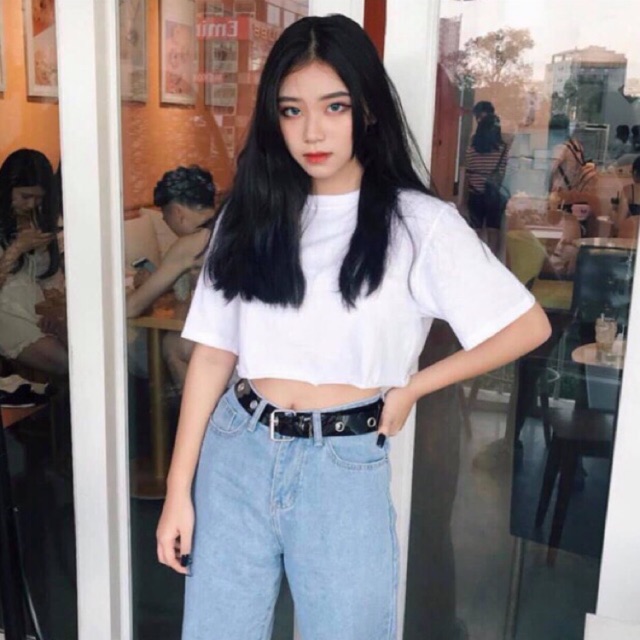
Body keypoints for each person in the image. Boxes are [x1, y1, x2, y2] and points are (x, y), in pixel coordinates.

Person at [155, 15, 551, 640]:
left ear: (366, 109)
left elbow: (525, 326)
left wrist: (414, 387)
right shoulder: (250, 214)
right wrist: (179, 489)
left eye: (333, 106)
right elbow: (212, 354)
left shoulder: (417, 223)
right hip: (237, 451)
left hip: (340, 465)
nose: (311, 131)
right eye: (291, 110)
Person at [126, 165, 216, 389]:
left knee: (171, 345)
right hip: (261, 334)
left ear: (177, 212)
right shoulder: (231, 226)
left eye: (165, 217)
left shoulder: (193, 243)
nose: (167, 224)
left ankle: (200, 409)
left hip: (229, 346)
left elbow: (133, 307)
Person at [0, 149, 67, 375]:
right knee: (64, 361)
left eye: (38, 198)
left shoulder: (38, 219)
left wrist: (54, 309)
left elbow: (49, 277)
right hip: (5, 311)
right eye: (25, 196)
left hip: (36, 304)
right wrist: (16, 249)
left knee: (87, 349)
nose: (31, 204)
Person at [463, 113, 509, 255]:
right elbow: (502, 173)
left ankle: (475, 259)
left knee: (475, 232)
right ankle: (491, 260)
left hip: (474, 194)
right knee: (493, 231)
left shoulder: (471, 149)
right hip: (494, 195)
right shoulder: (503, 149)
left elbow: (468, 172)